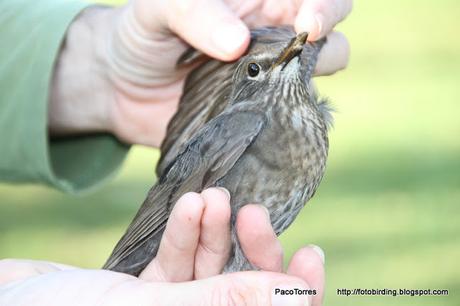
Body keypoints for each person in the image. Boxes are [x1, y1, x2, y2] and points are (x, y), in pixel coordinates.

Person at [0, 0, 352, 304]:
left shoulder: (307, 120)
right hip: (161, 242)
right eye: (257, 70)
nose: (288, 55)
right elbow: (170, 198)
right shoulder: (243, 125)